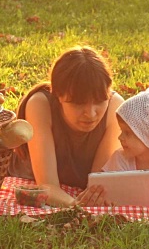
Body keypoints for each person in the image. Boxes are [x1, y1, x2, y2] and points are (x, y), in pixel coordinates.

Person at [9, 45, 124, 207]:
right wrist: (76, 207)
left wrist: (88, 201)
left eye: (99, 102)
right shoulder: (40, 104)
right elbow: (47, 186)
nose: (90, 114)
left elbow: (96, 185)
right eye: (78, 103)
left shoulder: (115, 106)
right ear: (58, 95)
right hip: (30, 177)